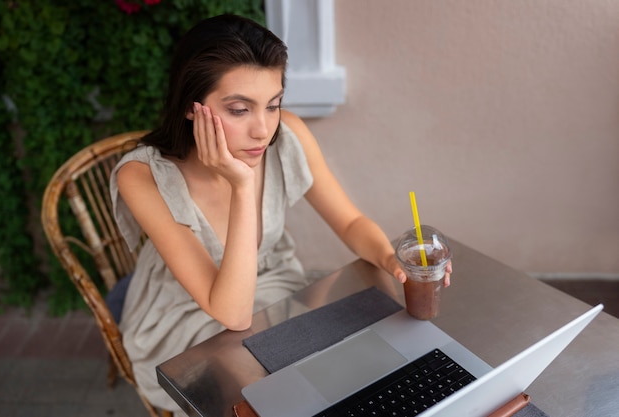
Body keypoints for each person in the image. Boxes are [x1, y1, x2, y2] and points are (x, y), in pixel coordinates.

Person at [110, 14, 451, 415]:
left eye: (273, 105)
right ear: (191, 106)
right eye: (239, 110)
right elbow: (232, 314)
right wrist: (241, 184)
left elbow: (350, 222)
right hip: (189, 318)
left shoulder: (285, 134)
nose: (262, 130)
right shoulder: (143, 176)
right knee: (269, 400)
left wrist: (391, 258)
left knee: (356, 367)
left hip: (275, 290)